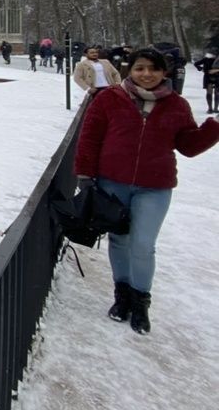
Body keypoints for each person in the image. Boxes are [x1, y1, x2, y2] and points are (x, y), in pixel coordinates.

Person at [73, 47, 219, 333]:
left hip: (155, 186)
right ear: (131, 70)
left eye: (153, 68)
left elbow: (187, 146)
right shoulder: (110, 99)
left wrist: (213, 128)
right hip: (113, 181)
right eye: (140, 68)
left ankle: (140, 302)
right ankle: (122, 296)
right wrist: (85, 175)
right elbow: (90, 138)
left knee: (143, 245)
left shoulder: (176, 105)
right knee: (119, 240)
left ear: (164, 72)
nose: (147, 74)